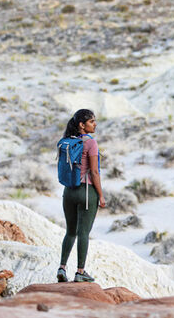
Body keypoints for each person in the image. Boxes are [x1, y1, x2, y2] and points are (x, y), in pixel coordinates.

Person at [58, 109, 106, 283]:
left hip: (68, 191)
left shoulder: (66, 141)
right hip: (86, 193)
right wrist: (100, 195)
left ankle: (62, 268)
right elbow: (94, 171)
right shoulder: (90, 143)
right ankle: (80, 272)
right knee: (83, 233)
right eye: (92, 121)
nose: (95, 124)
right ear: (82, 125)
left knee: (70, 232)